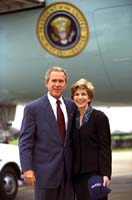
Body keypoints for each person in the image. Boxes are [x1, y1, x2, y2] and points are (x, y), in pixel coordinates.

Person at [19, 66, 76, 200]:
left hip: (68, 173)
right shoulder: (33, 108)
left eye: (61, 81)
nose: (57, 84)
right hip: (45, 173)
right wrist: (27, 168)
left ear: (65, 84)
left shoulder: (71, 106)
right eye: (54, 81)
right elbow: (25, 141)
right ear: (47, 83)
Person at [70, 78, 112, 200]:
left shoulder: (99, 117)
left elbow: (105, 147)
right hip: (78, 175)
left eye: (84, 94)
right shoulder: (72, 119)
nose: (80, 97)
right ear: (73, 98)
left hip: (96, 174)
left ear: (89, 98)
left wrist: (106, 174)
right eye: (76, 94)